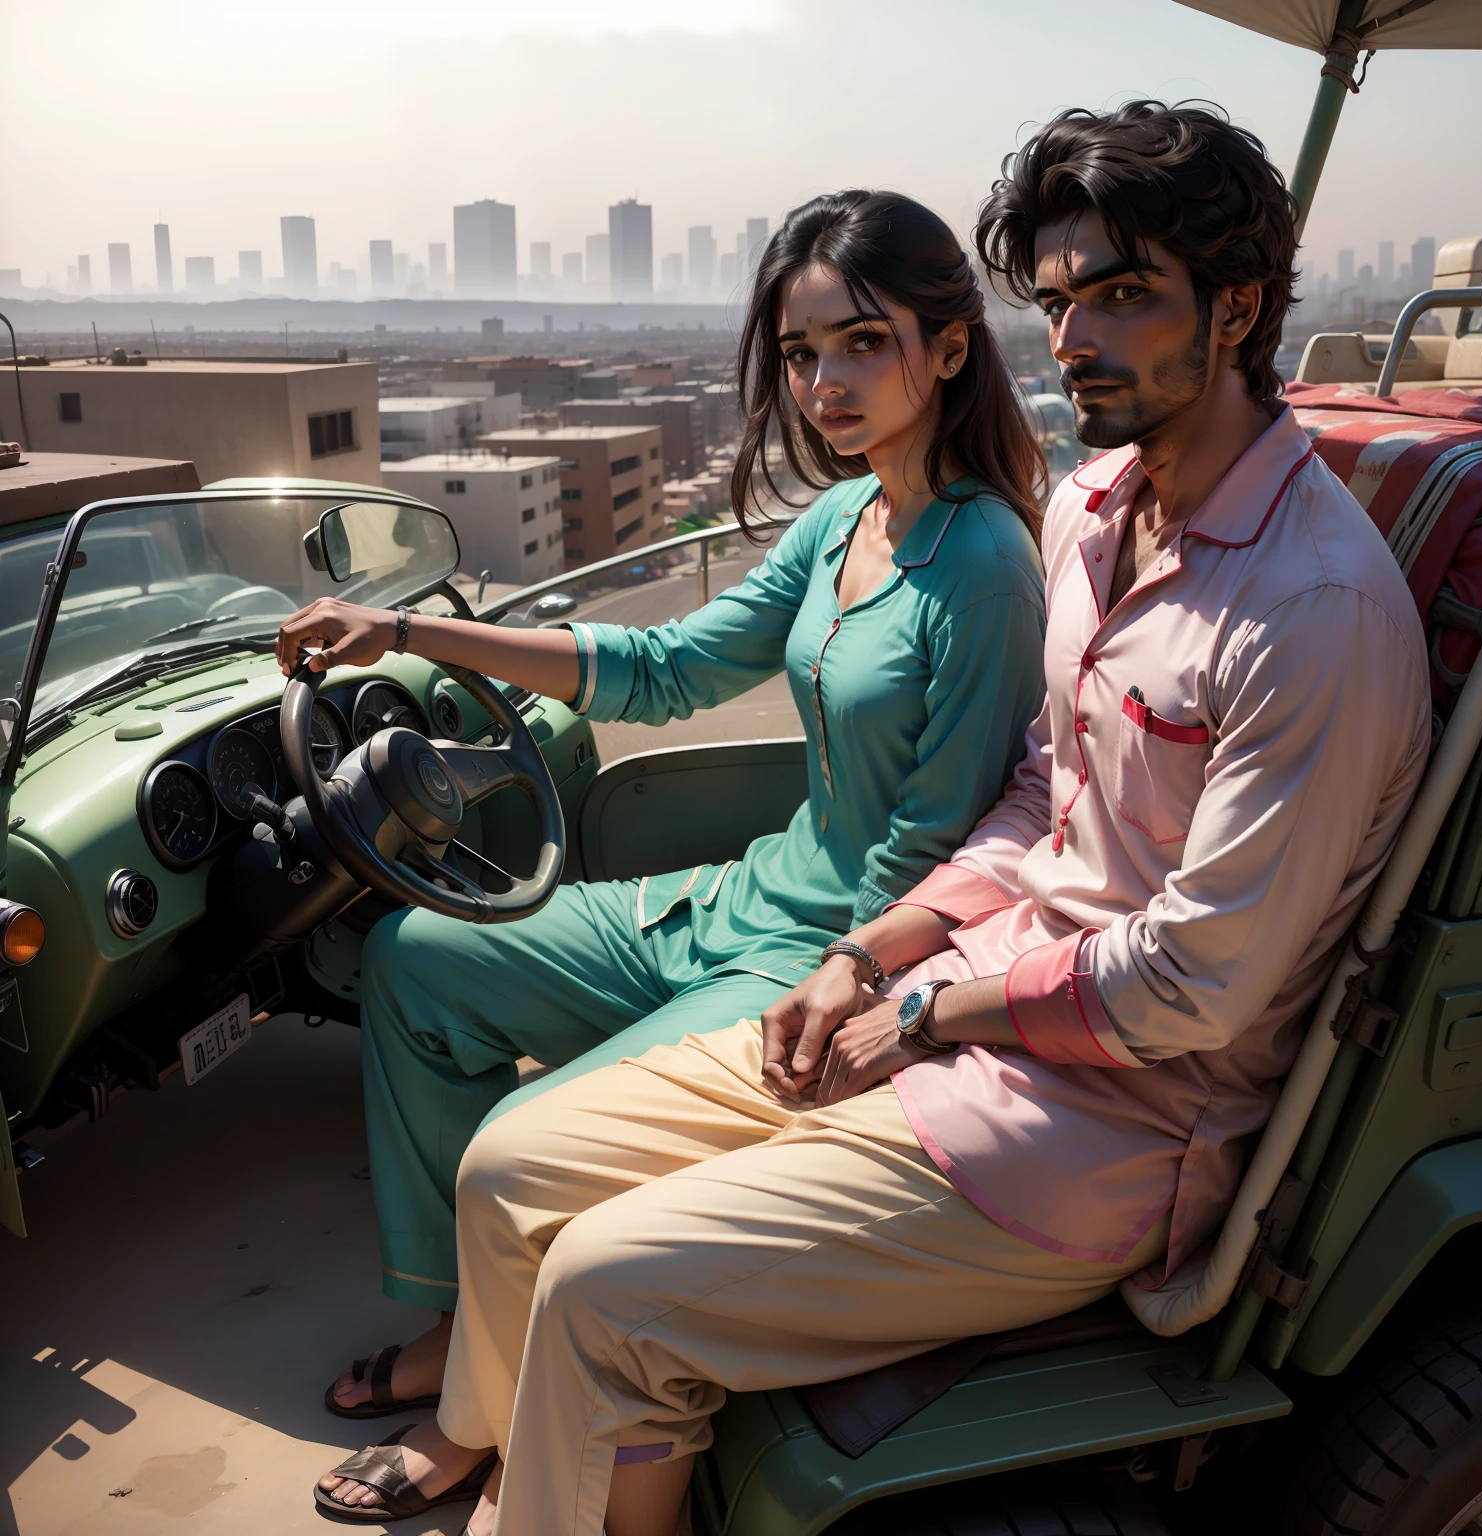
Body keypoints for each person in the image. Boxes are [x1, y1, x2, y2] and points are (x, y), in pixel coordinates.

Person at [312, 102, 1431, 1536]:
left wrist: (925, 1011)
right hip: (948, 1006)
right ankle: (485, 1429)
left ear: (1243, 307)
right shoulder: (1096, 512)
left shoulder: (1308, 610)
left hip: (1105, 1128)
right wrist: (877, 956)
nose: (1080, 335)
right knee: (516, 1165)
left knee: (602, 1289)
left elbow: (1196, 984)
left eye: (1129, 294)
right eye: (1066, 297)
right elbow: (1043, 793)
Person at [279, 189, 1049, 1435]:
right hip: (736, 900)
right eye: (802, 353)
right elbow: (668, 666)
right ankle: (454, 1317)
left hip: (831, 957)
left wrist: (845, 987)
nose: (824, 383)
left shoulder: (986, 565)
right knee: (416, 959)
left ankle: (478, 1422)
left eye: (862, 341)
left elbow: (931, 841)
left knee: (526, 1140)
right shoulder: (845, 513)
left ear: (950, 347)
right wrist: (406, 627)